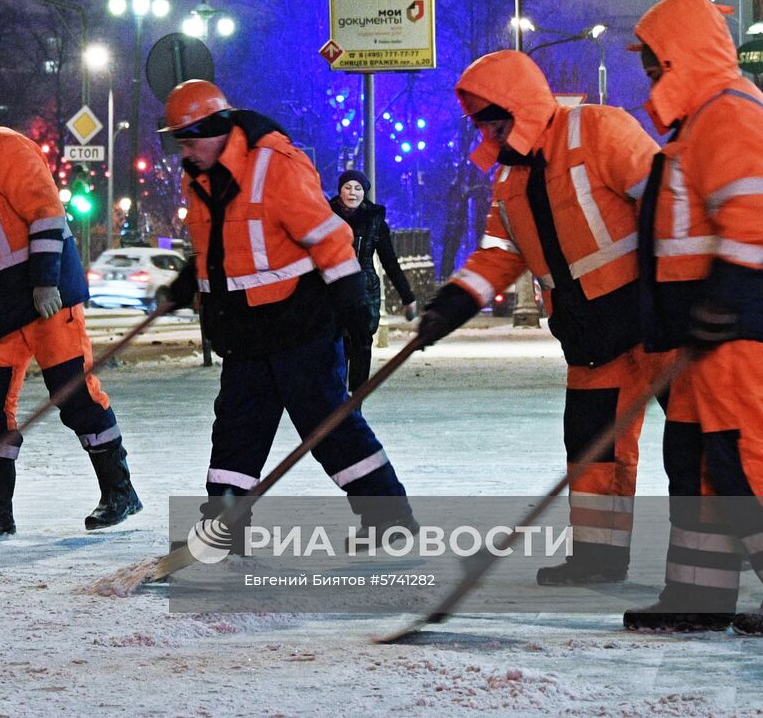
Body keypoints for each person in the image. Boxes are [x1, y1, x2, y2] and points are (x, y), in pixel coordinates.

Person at [411, 50, 668, 585]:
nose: (491, 134)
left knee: (704, 442)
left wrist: (684, 293)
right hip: (591, 338)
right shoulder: (509, 182)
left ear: (521, 109)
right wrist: (450, 307)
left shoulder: (601, 130)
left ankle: (720, 567)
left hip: (654, 324)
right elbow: (499, 255)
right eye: (483, 124)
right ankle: (599, 558)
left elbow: (668, 207)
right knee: (592, 448)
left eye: (497, 121)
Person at [625, 0, 763, 635]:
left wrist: (719, 301)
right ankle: (700, 596)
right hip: (713, 320)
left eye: (656, 63)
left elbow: (749, 215)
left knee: (743, 454)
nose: (651, 76)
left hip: (740, 318)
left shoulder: (729, 113)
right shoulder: (707, 118)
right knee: (701, 461)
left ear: (682, 56)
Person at [160, 79, 417, 545]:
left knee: (329, 427)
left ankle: (388, 521)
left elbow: (330, 238)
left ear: (218, 128)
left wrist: (354, 305)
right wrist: (186, 283)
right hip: (245, 332)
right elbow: (212, 248)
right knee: (237, 430)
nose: (186, 151)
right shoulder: (196, 177)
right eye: (180, 141)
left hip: (301, 325)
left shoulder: (275, 164)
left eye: (191, 140)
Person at [0, 76, 140, 536]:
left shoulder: (3, 148)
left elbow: (46, 215)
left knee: (73, 395)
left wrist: (44, 283)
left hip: (47, 302)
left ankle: (120, 492)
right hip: (7, 311)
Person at [329, 170, 417, 392]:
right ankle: (336, 400)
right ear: (340, 191)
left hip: (364, 290)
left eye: (358, 188)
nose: (353, 193)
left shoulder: (374, 220)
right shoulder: (325, 216)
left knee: (362, 344)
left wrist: (407, 297)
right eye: (348, 187)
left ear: (364, 193)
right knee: (336, 346)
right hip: (332, 289)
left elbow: (390, 261)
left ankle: (356, 398)